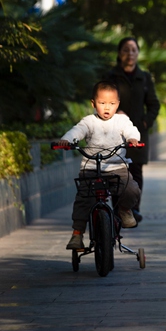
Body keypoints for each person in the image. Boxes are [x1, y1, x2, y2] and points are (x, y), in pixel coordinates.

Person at [56, 81, 142, 250]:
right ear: (93, 103)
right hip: (91, 168)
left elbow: (131, 130)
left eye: (112, 103)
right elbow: (77, 131)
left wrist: (133, 139)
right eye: (102, 103)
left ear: (118, 104)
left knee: (131, 189)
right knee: (84, 198)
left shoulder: (121, 121)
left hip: (117, 166)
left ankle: (124, 209)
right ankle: (77, 234)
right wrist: (67, 140)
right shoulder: (89, 121)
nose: (107, 108)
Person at [103, 37, 160, 222]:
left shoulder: (144, 77)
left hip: (137, 134)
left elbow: (154, 105)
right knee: (116, 172)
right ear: (120, 53)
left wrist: (145, 122)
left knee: (135, 172)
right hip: (114, 133)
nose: (130, 54)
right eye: (126, 50)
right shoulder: (111, 77)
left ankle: (133, 209)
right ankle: (118, 211)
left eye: (134, 50)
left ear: (138, 53)